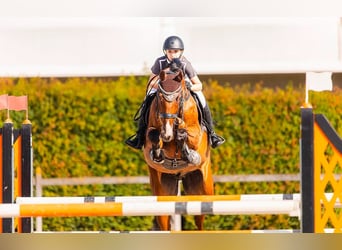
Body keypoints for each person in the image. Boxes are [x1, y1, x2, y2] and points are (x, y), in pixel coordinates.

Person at [125, 35, 225, 149]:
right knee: (147, 100)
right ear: (165, 52)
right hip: (161, 88)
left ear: (181, 52)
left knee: (201, 100)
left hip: (183, 89)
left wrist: (190, 87)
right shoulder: (160, 62)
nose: (172, 55)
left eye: (176, 51)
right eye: (170, 51)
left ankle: (212, 134)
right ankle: (139, 136)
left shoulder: (185, 64)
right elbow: (151, 82)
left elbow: (199, 85)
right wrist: (164, 88)